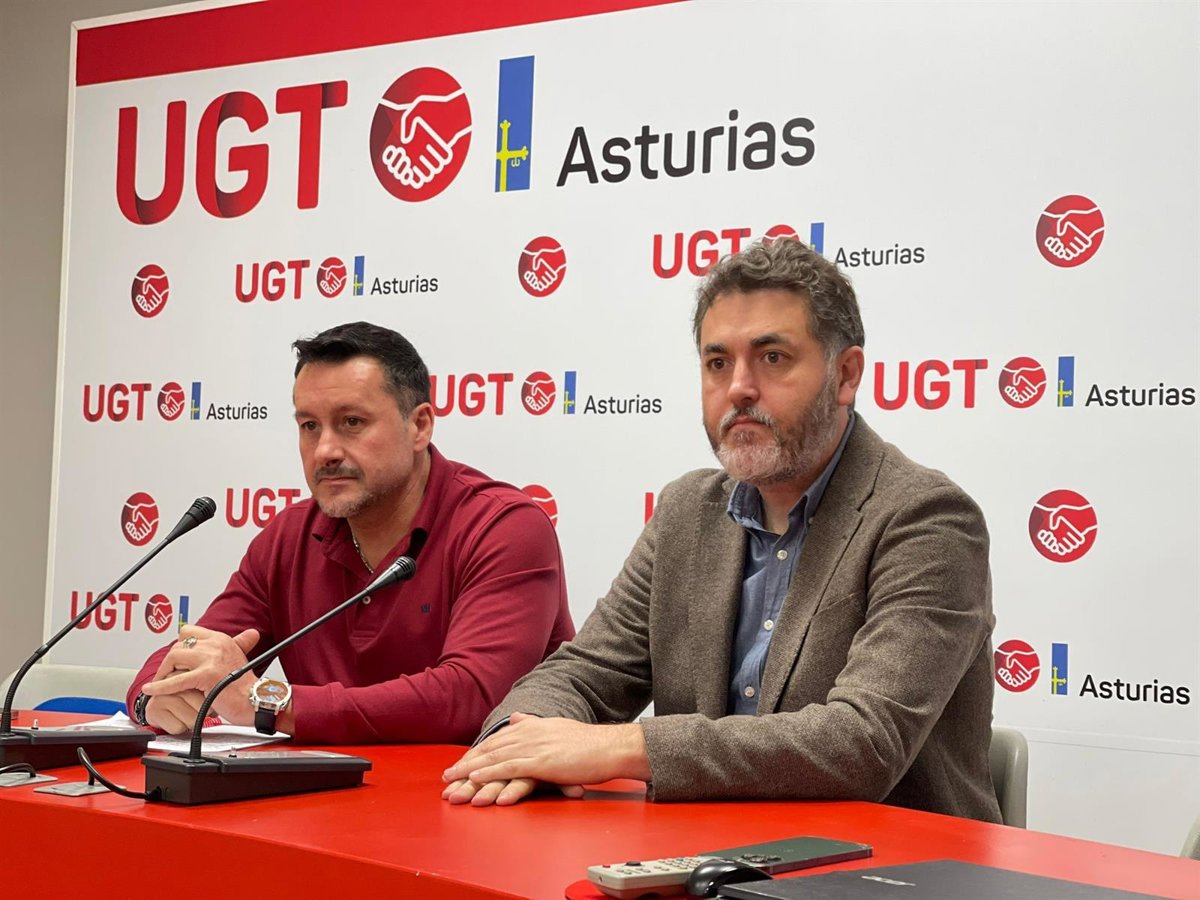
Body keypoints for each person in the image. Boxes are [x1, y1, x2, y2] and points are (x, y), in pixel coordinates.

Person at [442, 239, 1001, 823]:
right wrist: (518, 744)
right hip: (704, 850)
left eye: (772, 358)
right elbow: (582, 673)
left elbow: (864, 742)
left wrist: (623, 747)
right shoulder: (687, 511)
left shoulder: (927, 518)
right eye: (717, 363)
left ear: (846, 374)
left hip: (892, 860)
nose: (738, 388)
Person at [126, 321, 574, 744]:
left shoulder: (503, 526)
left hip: (469, 792)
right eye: (309, 426)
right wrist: (154, 699)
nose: (325, 450)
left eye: (352, 422)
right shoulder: (289, 536)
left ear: (419, 425)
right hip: (322, 792)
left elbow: (473, 696)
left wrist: (274, 704)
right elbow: (193, 651)